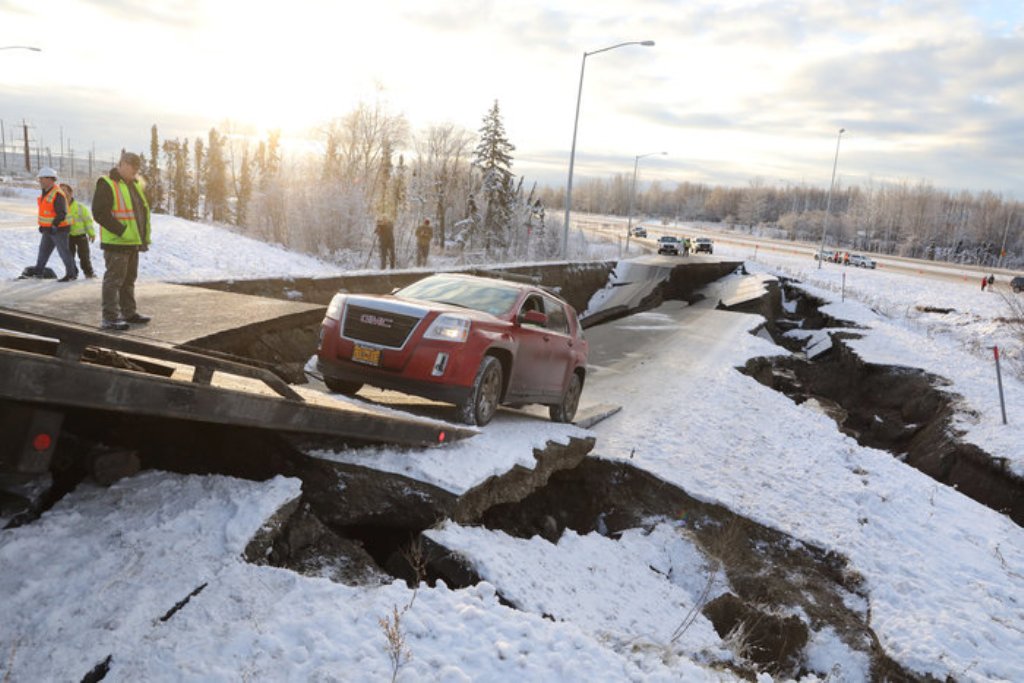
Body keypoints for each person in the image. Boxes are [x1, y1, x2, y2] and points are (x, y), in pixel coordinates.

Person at [92, 152, 151, 331]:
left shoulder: (133, 184)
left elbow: (140, 212)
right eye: (134, 167)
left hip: (132, 242)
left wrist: (142, 238)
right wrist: (122, 231)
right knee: (114, 280)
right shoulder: (107, 183)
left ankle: (129, 313)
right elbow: (100, 213)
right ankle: (110, 318)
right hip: (117, 242)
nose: (136, 172)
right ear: (123, 164)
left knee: (128, 279)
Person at [33, 167, 78, 282]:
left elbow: (61, 213)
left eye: (42, 179)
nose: (40, 181)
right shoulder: (46, 192)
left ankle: (71, 274)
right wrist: (43, 225)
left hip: (60, 229)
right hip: (49, 229)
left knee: (64, 252)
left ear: (50, 179)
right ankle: (38, 272)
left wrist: (54, 225)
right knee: (43, 251)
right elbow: (46, 212)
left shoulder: (57, 194)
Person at [61, 182, 97, 279]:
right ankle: (72, 274)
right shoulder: (59, 207)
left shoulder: (80, 207)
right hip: (68, 236)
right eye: (61, 190)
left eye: (65, 190)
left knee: (84, 257)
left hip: (81, 236)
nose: (63, 193)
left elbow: (88, 221)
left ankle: (89, 273)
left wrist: (91, 234)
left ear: (71, 193)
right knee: (69, 257)